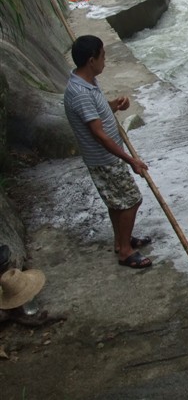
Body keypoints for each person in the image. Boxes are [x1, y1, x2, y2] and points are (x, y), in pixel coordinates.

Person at [64, 35, 152, 269]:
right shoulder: (81, 93)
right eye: (103, 56)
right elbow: (99, 134)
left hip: (108, 157)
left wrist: (114, 105)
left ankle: (120, 241)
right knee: (132, 201)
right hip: (105, 159)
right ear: (91, 60)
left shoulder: (88, 81)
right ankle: (125, 251)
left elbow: (96, 113)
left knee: (117, 202)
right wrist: (131, 160)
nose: (106, 60)